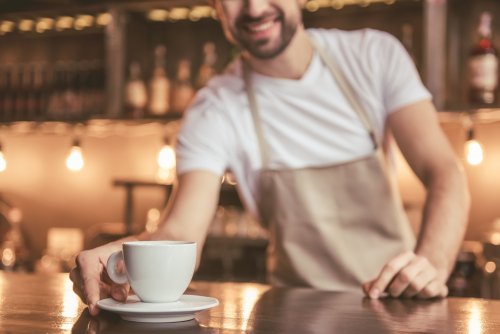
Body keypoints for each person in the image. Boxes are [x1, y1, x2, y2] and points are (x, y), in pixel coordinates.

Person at [70, 0, 470, 316]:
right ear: (215, 6)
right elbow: (180, 232)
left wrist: (430, 265)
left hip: (395, 307)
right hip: (294, 316)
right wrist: (119, 256)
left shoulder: (374, 56)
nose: (255, 7)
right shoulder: (215, 108)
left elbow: (445, 173)